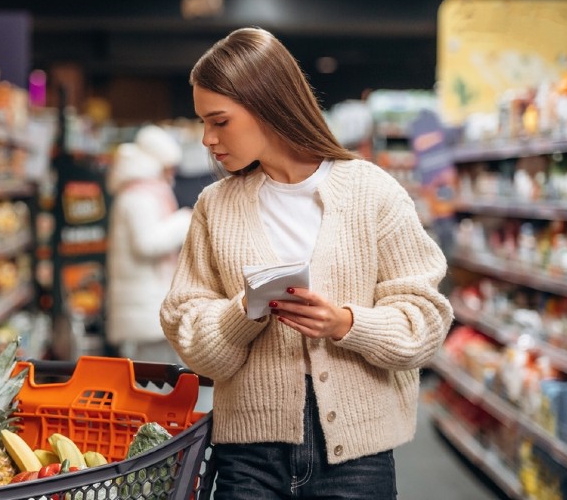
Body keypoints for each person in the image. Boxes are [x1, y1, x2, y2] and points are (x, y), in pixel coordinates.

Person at [160, 27, 453, 499]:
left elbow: (425, 322)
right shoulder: (215, 206)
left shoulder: (371, 192)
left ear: (267, 106)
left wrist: (345, 323)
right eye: (202, 123)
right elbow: (189, 334)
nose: (207, 139)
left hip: (358, 455)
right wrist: (245, 312)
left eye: (219, 121)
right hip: (248, 455)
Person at [105, 124, 193, 363]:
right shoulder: (139, 196)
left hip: (145, 302)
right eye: (169, 168)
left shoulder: (140, 191)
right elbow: (146, 244)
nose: (172, 174)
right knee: (154, 382)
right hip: (144, 306)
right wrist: (185, 220)